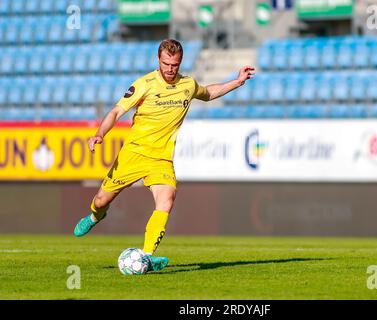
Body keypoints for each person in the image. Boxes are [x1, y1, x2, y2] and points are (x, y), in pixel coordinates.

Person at [73, 39, 255, 272]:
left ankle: (147, 256)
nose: (170, 69)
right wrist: (100, 134)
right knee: (101, 201)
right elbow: (117, 110)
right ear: (158, 60)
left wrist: (237, 82)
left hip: (161, 159)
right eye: (166, 64)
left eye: (175, 65)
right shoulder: (144, 84)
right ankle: (95, 217)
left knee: (166, 200)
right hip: (133, 155)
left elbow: (208, 93)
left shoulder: (187, 84)